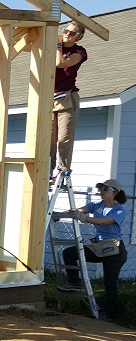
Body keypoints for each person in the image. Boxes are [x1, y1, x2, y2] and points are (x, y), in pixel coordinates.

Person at [58, 179, 128, 322]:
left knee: (110, 283)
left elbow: (104, 221)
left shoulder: (118, 210)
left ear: (114, 193)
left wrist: (84, 219)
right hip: (99, 247)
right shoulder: (96, 205)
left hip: (114, 250)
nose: (101, 192)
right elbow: (79, 210)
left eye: (105, 189)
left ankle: (108, 314)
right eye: (100, 189)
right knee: (69, 253)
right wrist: (60, 214)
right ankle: (74, 283)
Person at [52, 21, 87, 179]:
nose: (66, 34)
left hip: (67, 97)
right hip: (50, 98)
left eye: (71, 33)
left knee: (64, 138)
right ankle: (48, 171)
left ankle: (63, 170)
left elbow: (60, 63)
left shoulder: (79, 51)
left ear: (78, 36)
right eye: (65, 30)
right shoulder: (51, 44)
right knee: (49, 140)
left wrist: (58, 44)